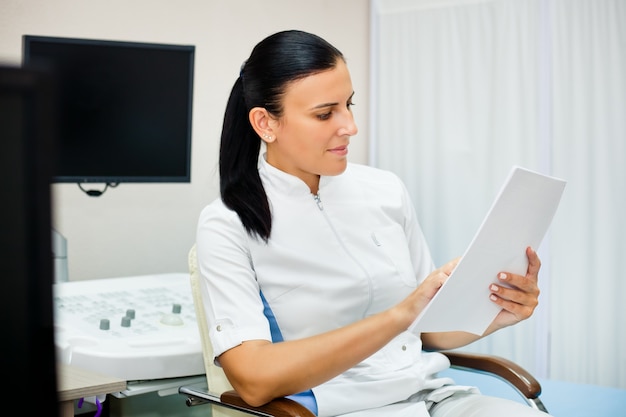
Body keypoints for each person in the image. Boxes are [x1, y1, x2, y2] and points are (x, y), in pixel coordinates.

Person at [196, 29, 550, 417]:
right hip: (340, 409)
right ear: (266, 123)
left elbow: (426, 329)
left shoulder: (385, 190)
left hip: (431, 396)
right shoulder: (227, 224)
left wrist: (497, 312)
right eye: (324, 113)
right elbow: (254, 378)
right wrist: (399, 314)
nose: (349, 126)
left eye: (349, 104)